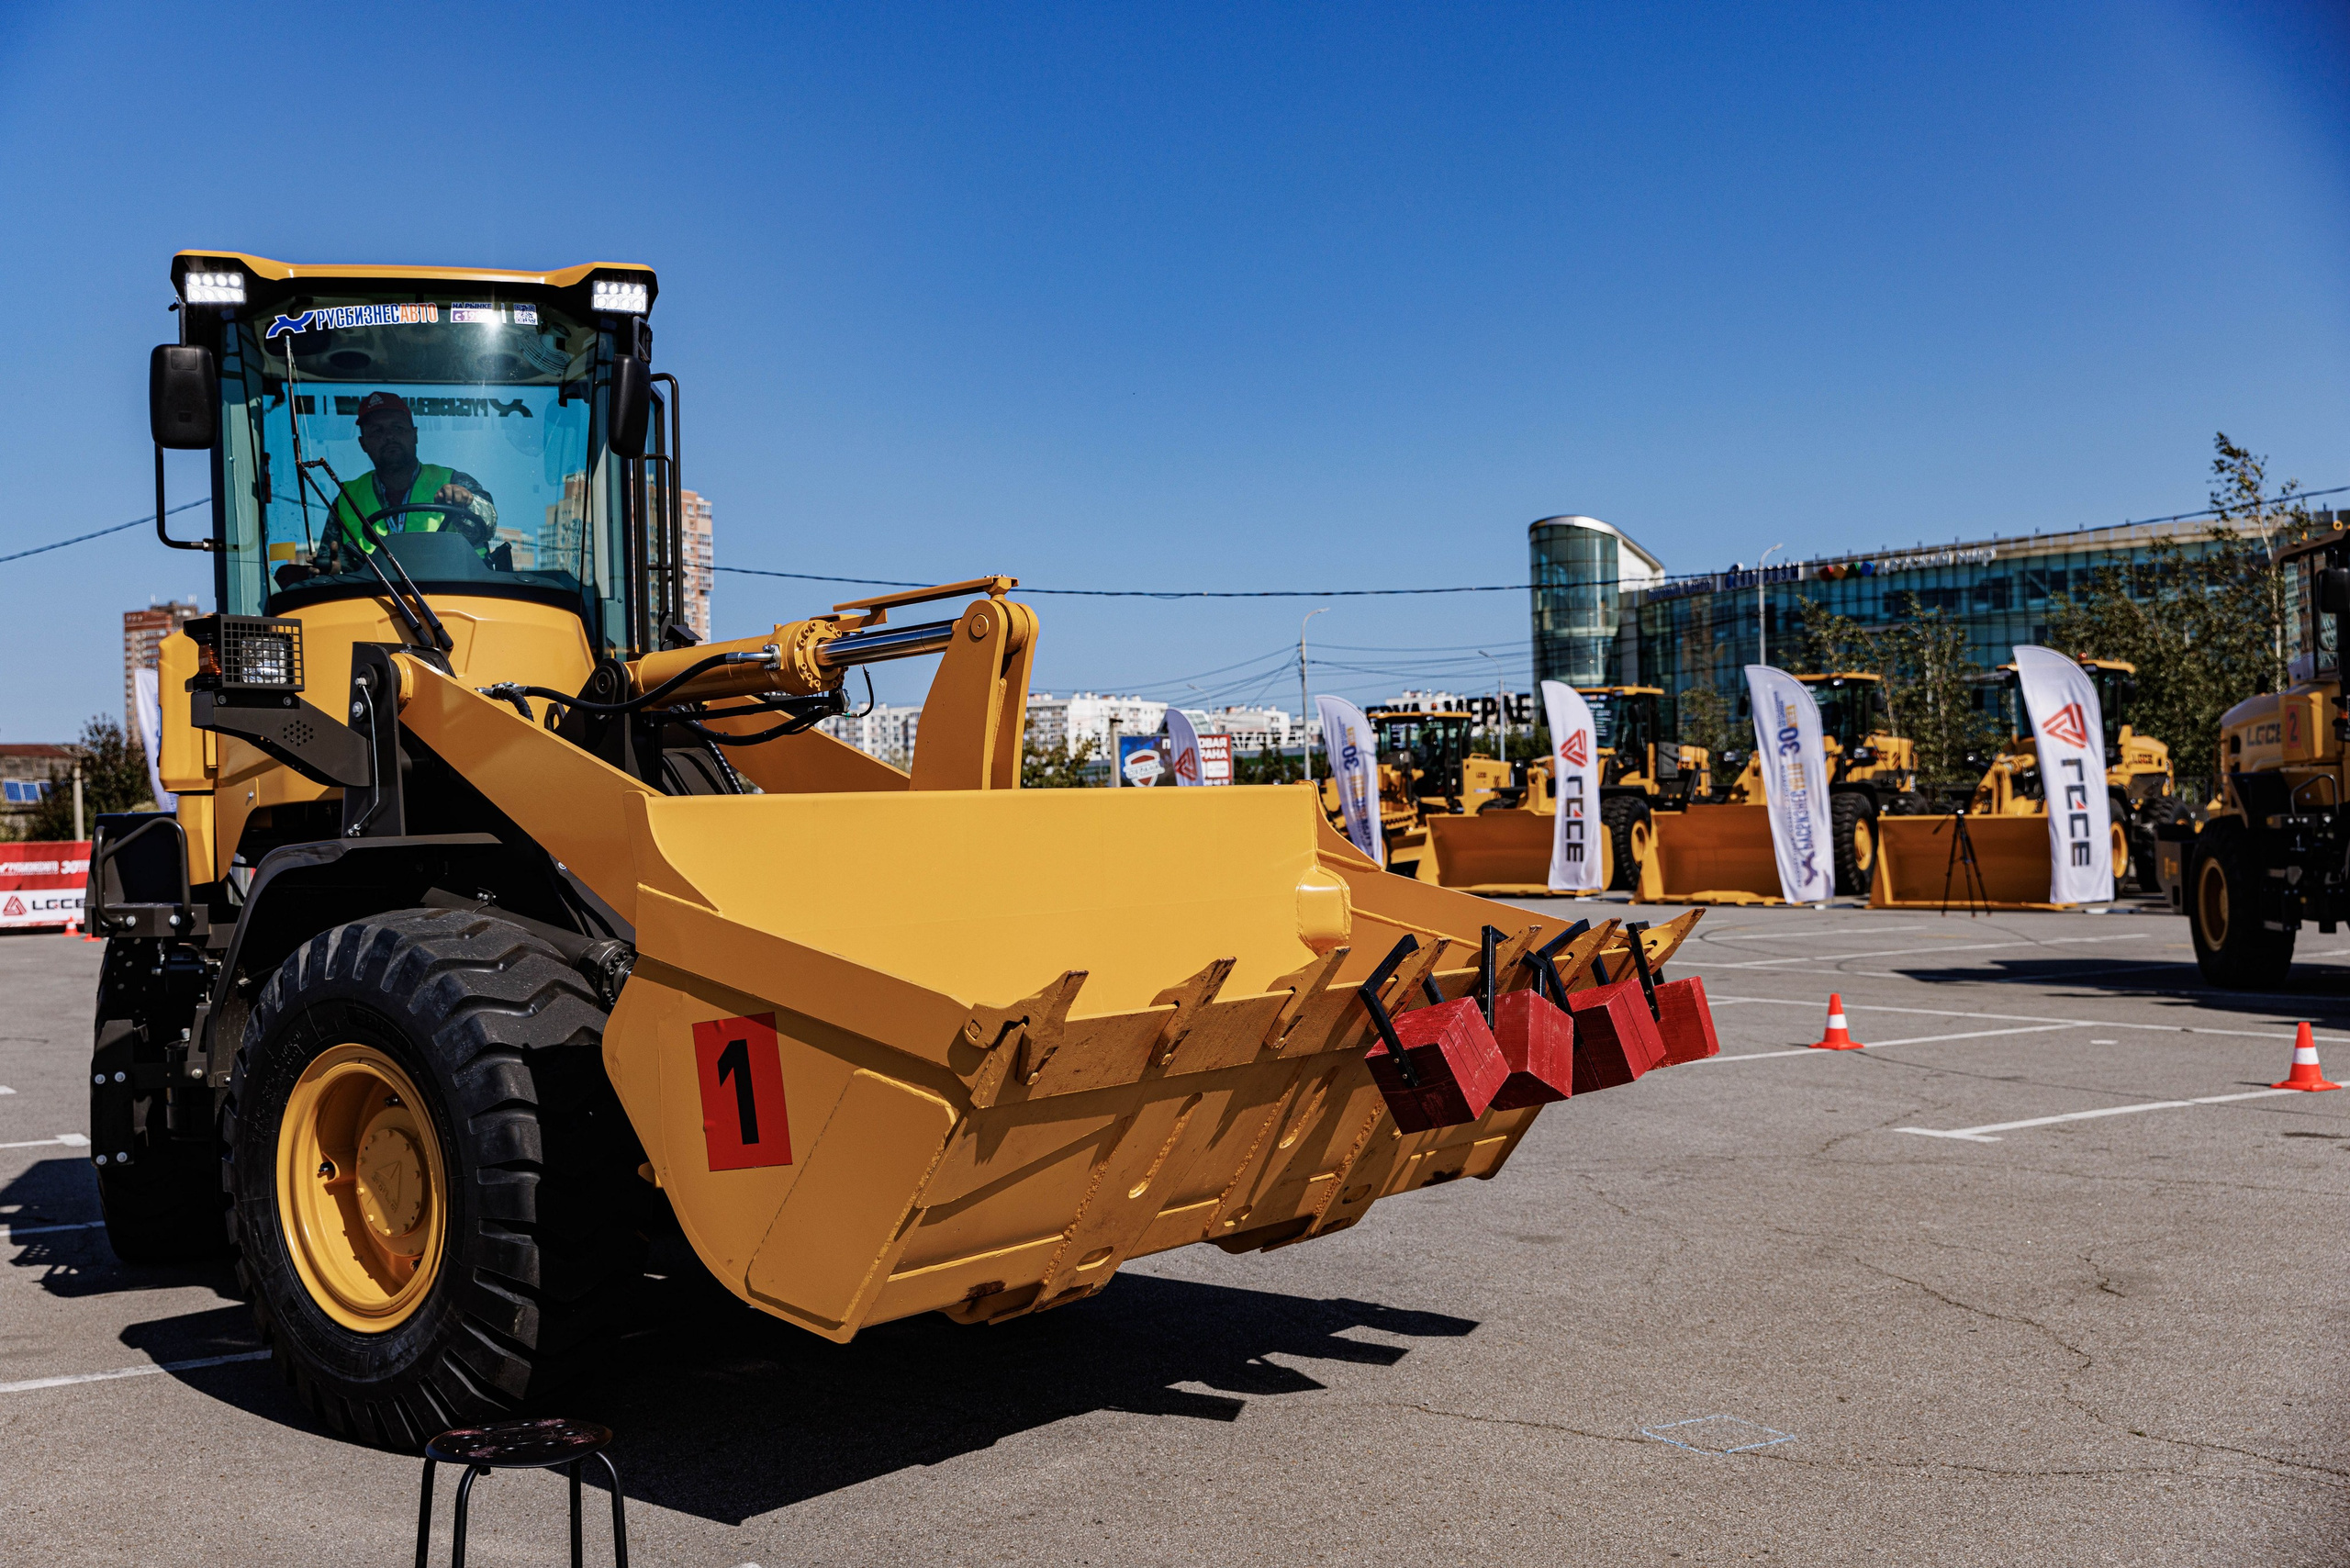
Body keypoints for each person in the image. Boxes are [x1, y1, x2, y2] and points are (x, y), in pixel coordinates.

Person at [327, 392, 499, 560]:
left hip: (455, 588)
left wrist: (467, 503)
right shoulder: (347, 499)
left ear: (414, 435)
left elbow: (488, 524)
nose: (389, 436)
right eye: (377, 431)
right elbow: (332, 562)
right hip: (377, 589)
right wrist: (334, 571)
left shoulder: (453, 481)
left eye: (398, 428)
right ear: (363, 443)